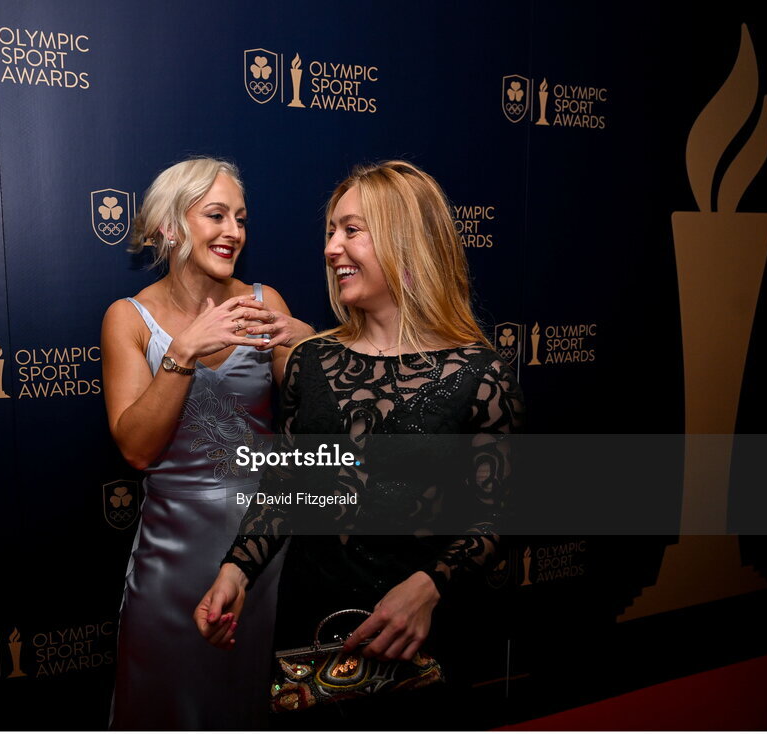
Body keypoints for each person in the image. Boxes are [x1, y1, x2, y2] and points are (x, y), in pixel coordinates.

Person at [195, 160, 525, 728]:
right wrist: (236, 571)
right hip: (311, 628)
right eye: (330, 231)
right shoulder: (309, 362)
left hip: (421, 637)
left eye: (351, 230)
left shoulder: (481, 373)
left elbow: (500, 513)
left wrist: (428, 588)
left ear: (406, 240)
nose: (331, 249)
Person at [101, 157, 312, 729]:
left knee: (244, 702)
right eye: (215, 215)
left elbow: (320, 406)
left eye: (240, 218)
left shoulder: (266, 304)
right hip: (171, 555)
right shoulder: (130, 319)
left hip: (259, 547)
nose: (234, 232)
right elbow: (138, 450)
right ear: (171, 226)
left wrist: (310, 342)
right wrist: (184, 351)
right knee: (165, 702)